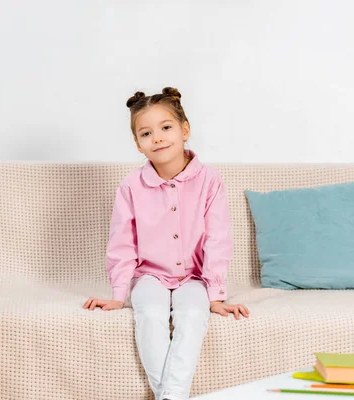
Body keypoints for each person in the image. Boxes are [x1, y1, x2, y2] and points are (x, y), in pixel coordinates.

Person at [83, 87, 249, 400]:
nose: (157, 138)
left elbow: (218, 238)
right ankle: (172, 396)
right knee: (149, 314)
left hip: (194, 278)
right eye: (146, 133)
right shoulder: (131, 186)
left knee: (190, 316)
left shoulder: (209, 180)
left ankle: (169, 395)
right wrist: (119, 294)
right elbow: (121, 242)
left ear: (185, 130)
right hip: (149, 276)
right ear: (137, 143)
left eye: (166, 127)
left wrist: (215, 294)